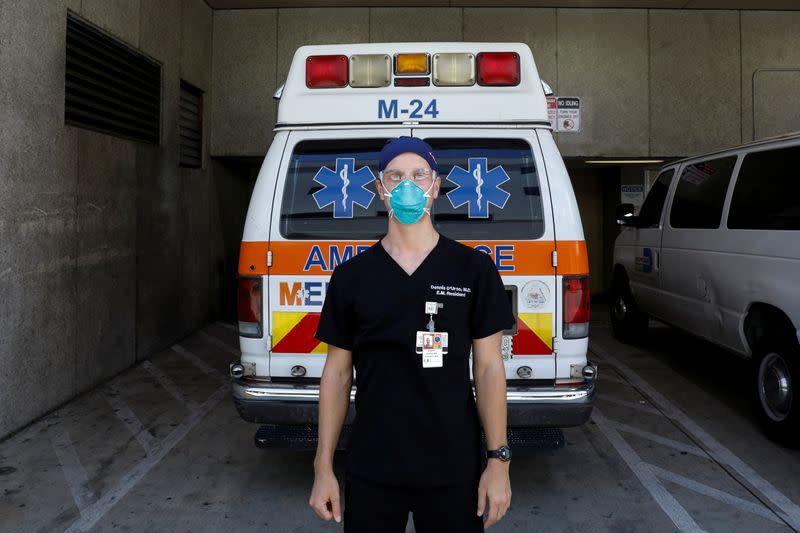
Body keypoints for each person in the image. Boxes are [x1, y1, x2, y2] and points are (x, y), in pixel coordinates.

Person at [308, 136, 515, 532]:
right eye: (396, 175)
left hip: (454, 467)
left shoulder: (474, 270)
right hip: (373, 466)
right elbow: (336, 374)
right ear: (380, 189)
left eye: (419, 175)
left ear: (435, 187)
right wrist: (323, 467)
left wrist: (498, 462)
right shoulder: (352, 277)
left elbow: (489, 369)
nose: (408, 185)